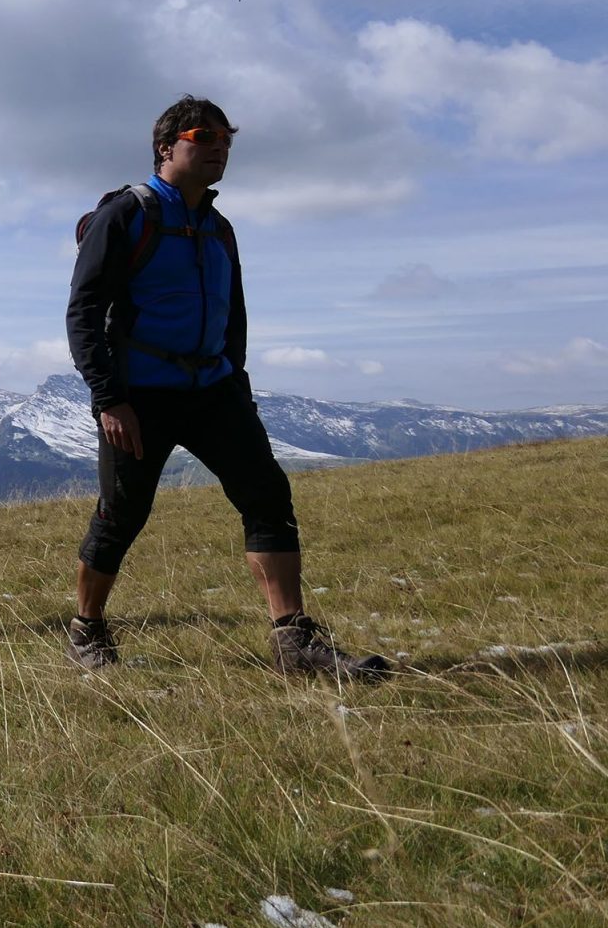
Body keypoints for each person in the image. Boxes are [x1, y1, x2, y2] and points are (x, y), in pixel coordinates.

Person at [65, 95, 389, 680]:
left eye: (227, 141)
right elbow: (83, 312)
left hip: (214, 391)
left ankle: (293, 642)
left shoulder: (219, 228)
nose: (220, 148)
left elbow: (233, 314)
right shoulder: (126, 215)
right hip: (141, 394)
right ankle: (87, 629)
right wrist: (109, 398)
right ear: (167, 147)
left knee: (267, 496)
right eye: (205, 137)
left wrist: (236, 382)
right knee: (122, 514)